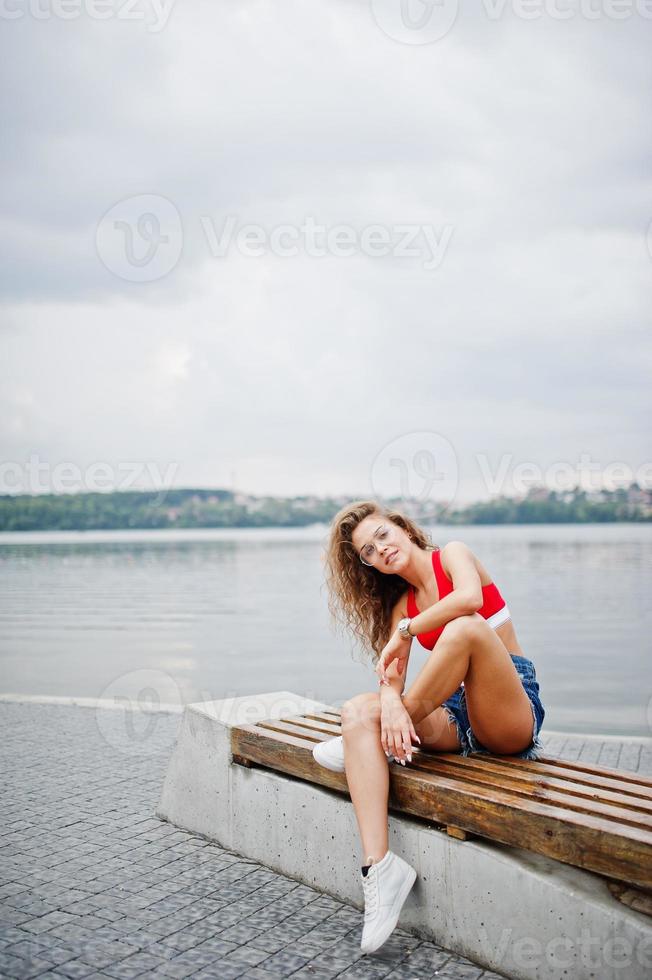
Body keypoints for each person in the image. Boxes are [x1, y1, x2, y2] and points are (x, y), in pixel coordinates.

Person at [314, 499, 546, 954]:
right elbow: (390, 678)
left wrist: (406, 634)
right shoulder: (402, 605)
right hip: (455, 715)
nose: (379, 550)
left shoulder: (452, 555)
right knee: (358, 710)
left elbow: (470, 601)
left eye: (381, 535)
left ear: (402, 528)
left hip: (510, 712)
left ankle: (367, 742)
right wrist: (387, 702)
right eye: (367, 552)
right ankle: (379, 869)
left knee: (465, 629)